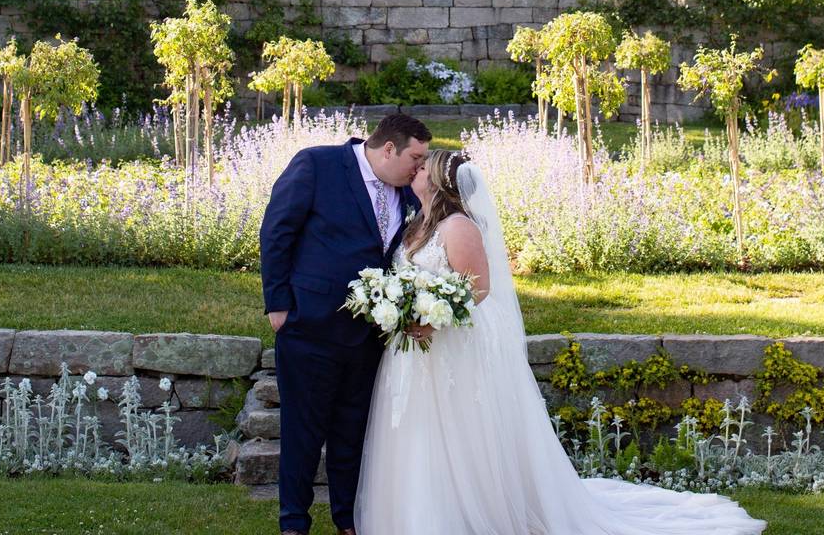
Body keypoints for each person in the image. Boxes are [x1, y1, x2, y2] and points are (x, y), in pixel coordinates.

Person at [354, 149, 768, 535]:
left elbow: (476, 290)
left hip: (446, 348)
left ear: (440, 181)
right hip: (412, 353)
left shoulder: (457, 227)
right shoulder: (416, 222)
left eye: (425, 167)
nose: (417, 170)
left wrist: (433, 318)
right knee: (417, 433)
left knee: (452, 437)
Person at [260, 114, 431, 535]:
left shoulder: (408, 193)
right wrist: (278, 306)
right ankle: (293, 522)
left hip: (370, 335)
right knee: (302, 431)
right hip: (310, 325)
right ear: (388, 148)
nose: (419, 168)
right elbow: (276, 231)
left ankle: (347, 520)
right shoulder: (316, 165)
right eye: (415, 157)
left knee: (352, 433)